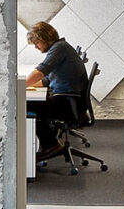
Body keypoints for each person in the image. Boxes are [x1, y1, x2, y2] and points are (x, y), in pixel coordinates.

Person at [23, 21, 87, 158]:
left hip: (67, 103)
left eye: (37, 42)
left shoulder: (59, 49)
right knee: (32, 102)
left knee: (24, 104)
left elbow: (41, 71)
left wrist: (20, 86)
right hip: (69, 100)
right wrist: (28, 85)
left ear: (45, 38)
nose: (35, 46)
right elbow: (47, 80)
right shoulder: (60, 47)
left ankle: (50, 145)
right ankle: (49, 141)